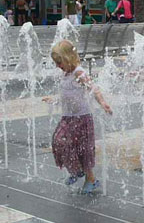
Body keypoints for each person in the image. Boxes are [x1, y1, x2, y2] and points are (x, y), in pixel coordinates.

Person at [42, 40, 112, 194]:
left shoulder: (78, 72)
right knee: (58, 141)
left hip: (82, 118)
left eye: (59, 62)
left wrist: (103, 103)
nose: (57, 66)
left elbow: (93, 88)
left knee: (84, 150)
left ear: (68, 58)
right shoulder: (66, 74)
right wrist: (53, 100)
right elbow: (66, 96)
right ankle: (76, 170)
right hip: (68, 118)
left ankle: (91, 180)